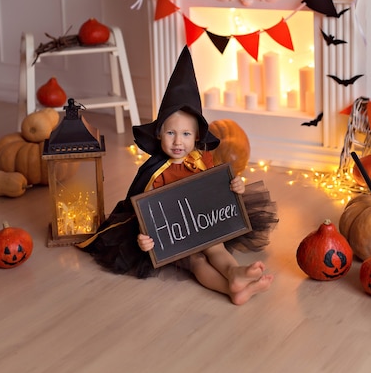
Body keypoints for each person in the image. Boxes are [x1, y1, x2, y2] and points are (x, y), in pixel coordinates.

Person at [78, 46, 277, 305]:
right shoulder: (155, 172)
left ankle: (235, 274)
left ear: (196, 138)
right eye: (171, 133)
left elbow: (218, 191)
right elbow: (145, 209)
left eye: (186, 134)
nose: (178, 142)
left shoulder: (202, 160)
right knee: (196, 260)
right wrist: (144, 236)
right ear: (159, 134)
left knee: (214, 246)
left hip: (202, 224)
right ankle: (232, 290)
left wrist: (235, 188)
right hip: (174, 235)